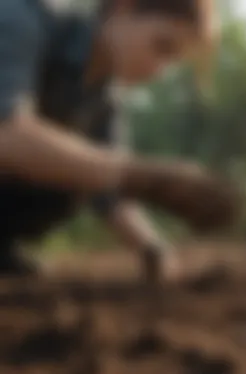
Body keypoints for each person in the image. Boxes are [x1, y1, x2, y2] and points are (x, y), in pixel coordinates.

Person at [0, 0, 219, 275]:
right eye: (162, 46)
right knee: (81, 163)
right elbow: (6, 133)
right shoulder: (19, 17)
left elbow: (109, 190)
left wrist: (153, 249)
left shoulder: (103, 100)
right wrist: (147, 177)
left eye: (172, 62)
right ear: (122, 8)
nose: (159, 71)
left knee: (79, 170)